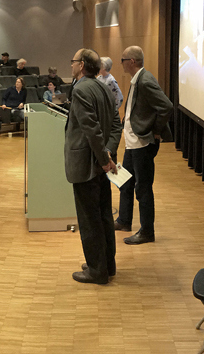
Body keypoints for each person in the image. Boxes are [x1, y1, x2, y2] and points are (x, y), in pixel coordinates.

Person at [65, 48, 123, 284]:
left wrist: (103, 159)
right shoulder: (104, 87)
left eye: (73, 61)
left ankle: (97, 271)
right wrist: (108, 153)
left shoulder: (80, 89)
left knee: (90, 220)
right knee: (104, 215)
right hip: (101, 163)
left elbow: (91, 130)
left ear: (81, 65)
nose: (71, 65)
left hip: (88, 165)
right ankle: (107, 265)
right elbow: (116, 125)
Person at [116, 45, 173, 246]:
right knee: (125, 182)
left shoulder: (146, 80)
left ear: (131, 61)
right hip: (132, 143)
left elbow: (166, 106)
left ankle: (147, 231)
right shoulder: (138, 79)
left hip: (142, 143)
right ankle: (124, 220)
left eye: (123, 60)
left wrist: (155, 129)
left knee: (143, 188)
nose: (121, 63)